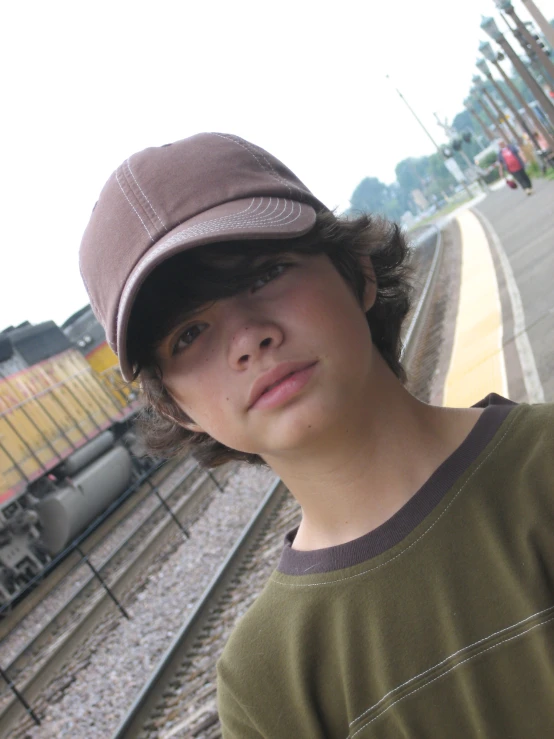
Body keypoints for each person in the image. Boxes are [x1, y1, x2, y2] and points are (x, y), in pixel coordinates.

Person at [79, 133, 554, 738]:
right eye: (188, 335)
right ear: (175, 408)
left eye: (265, 274)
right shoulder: (264, 685)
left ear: (356, 273)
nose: (248, 338)